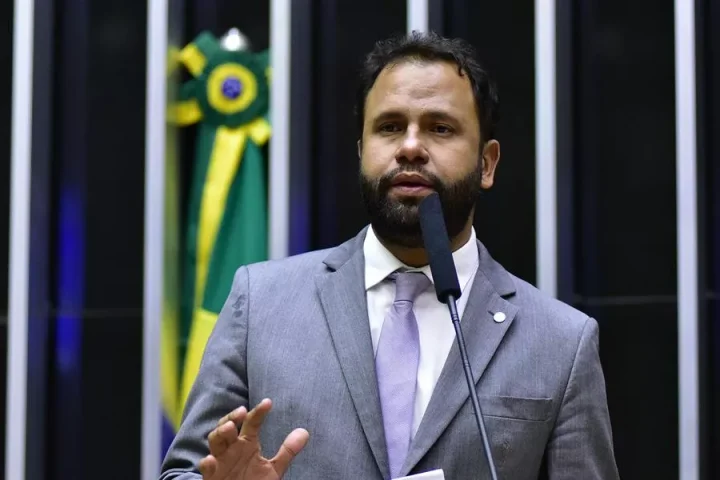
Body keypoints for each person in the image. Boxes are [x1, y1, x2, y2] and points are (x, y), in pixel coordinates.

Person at [160, 31, 619, 480]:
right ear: (362, 151)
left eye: (440, 128)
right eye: (390, 127)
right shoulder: (260, 303)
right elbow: (183, 470)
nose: (411, 147)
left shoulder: (561, 343)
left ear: (487, 163)